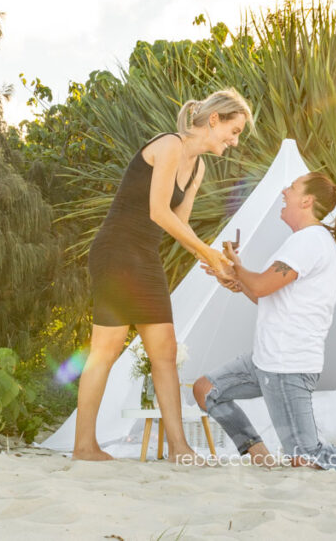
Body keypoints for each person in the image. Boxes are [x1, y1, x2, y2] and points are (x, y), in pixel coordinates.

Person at [193, 173, 336, 472]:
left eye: (292, 188)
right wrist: (239, 281)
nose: (284, 191)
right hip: (267, 360)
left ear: (307, 200)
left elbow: (262, 286)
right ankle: (260, 455)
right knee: (207, 389)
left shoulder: (309, 240)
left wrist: (236, 268)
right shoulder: (306, 241)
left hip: (287, 364)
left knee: (308, 457)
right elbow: (269, 297)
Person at [73, 89, 252, 461]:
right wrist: (210, 253)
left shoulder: (198, 168)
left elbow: (179, 226)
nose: (235, 142)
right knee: (106, 349)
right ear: (214, 119)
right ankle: (84, 447)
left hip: (145, 256)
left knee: (165, 352)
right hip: (117, 251)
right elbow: (158, 211)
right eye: (233, 131)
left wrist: (214, 265)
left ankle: (178, 448)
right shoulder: (170, 145)